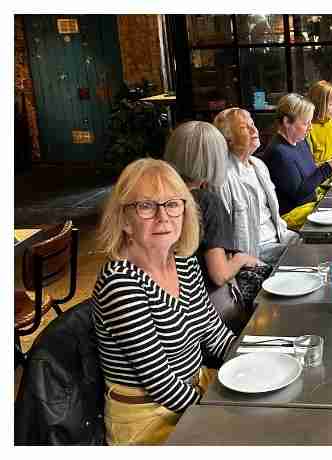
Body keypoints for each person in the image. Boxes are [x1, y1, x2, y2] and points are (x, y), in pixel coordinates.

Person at [93, 158, 233, 445]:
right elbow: (160, 382)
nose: (163, 217)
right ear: (124, 220)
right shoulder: (121, 283)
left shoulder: (183, 262)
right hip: (147, 416)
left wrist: (252, 355)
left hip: (195, 384)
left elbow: (214, 334)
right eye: (146, 206)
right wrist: (221, 412)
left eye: (172, 204)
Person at [163, 121, 262, 331]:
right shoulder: (207, 202)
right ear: (216, 159)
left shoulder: (160, 198)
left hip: (169, 309)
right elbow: (219, 274)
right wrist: (242, 258)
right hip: (208, 314)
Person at [212, 108, 300, 265]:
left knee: (328, 251)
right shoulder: (222, 178)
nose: (254, 130)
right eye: (244, 127)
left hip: (281, 237)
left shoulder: (258, 165)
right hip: (257, 251)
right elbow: (222, 237)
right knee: (316, 260)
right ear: (228, 139)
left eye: (252, 124)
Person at [263, 93, 332, 229]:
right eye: (305, 123)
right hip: (293, 215)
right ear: (286, 122)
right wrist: (327, 170)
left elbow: (309, 174)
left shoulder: (300, 142)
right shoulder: (278, 152)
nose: (310, 127)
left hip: (311, 204)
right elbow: (298, 194)